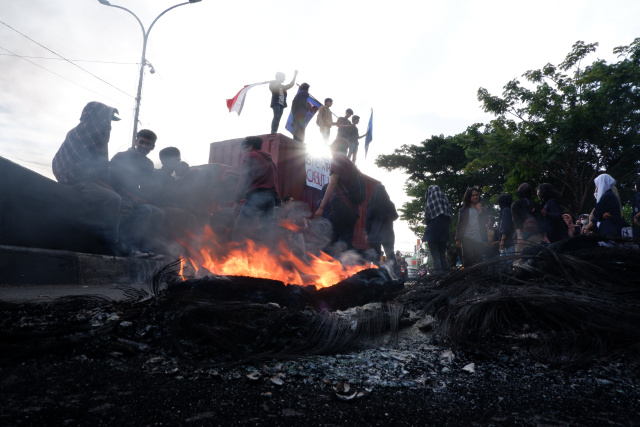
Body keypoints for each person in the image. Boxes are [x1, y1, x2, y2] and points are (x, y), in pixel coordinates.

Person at [52, 101, 124, 255]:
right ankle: (110, 244)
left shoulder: (97, 137)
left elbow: (100, 168)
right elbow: (80, 169)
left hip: (87, 181)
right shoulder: (80, 134)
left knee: (118, 200)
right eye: (107, 120)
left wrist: (104, 183)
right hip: (73, 180)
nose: (108, 125)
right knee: (113, 199)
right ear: (97, 117)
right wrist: (103, 185)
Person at [109, 129, 165, 258]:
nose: (144, 146)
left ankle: (146, 249)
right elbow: (112, 181)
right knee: (144, 210)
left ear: (152, 147)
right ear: (136, 141)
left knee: (158, 212)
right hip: (117, 193)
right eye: (141, 142)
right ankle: (131, 249)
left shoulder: (148, 164)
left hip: (134, 197)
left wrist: (143, 197)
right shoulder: (121, 157)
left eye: (148, 144)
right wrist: (131, 195)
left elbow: (145, 186)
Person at [233, 136, 280, 247]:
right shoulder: (270, 161)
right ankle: (265, 261)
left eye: (244, 148)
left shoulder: (250, 155)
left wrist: (236, 199)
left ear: (250, 147)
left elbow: (244, 178)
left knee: (240, 230)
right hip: (271, 199)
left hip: (257, 196)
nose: (243, 151)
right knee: (266, 235)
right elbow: (275, 181)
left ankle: (237, 257)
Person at [315, 137, 360, 253]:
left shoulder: (338, 160)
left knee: (329, 241)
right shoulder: (352, 164)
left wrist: (321, 207)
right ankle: (348, 270)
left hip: (341, 206)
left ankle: (327, 269)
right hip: (354, 211)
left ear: (335, 147)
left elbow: (332, 184)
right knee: (347, 246)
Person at [365, 184, 398, 269]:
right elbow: (395, 216)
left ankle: (377, 276)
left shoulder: (371, 205)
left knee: (376, 257)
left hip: (374, 235)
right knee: (390, 256)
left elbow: (368, 221)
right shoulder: (390, 205)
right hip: (388, 235)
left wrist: (366, 233)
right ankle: (395, 275)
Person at [422, 185, 452, 275]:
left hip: (433, 229)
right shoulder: (445, 200)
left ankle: (438, 276)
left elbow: (426, 218)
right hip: (444, 229)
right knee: (442, 254)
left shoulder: (430, 201)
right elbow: (450, 216)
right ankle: (447, 276)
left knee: (435, 255)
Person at [455, 187, 488, 268]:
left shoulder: (483, 210)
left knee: (479, 261)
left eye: (476, 195)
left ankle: (478, 279)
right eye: (473, 195)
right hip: (466, 238)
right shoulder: (463, 211)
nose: (475, 197)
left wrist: (480, 210)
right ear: (469, 197)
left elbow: (485, 222)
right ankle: (468, 279)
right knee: (467, 261)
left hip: (479, 239)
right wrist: (458, 239)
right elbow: (459, 225)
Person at [511, 183, 544, 255]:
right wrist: (544, 236)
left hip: (523, 235)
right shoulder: (536, 204)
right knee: (537, 258)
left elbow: (516, 221)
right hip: (537, 234)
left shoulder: (516, 204)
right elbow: (541, 221)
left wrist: (519, 236)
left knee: (520, 260)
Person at [497, 193, 516, 258]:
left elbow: (505, 227)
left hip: (508, 242)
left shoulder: (506, 211)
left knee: (508, 263)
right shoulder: (510, 210)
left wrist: (502, 241)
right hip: (508, 242)